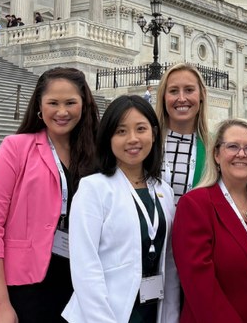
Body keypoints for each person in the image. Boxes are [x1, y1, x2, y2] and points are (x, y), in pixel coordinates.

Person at [0, 67, 100, 322]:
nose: (62, 111)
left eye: (70, 103)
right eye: (53, 103)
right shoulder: (16, 148)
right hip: (22, 290)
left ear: (84, 106)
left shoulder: (96, 155)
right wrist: (0, 304)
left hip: (77, 289)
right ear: (40, 107)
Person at [63, 95, 181, 323]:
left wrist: (171, 316)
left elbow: (170, 263)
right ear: (108, 137)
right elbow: (85, 267)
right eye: (121, 131)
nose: (133, 139)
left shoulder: (164, 191)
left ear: (154, 134)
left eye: (141, 129)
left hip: (151, 310)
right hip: (103, 314)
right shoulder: (93, 188)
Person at [172, 119, 247, 322]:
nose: (241, 154)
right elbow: (201, 291)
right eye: (232, 146)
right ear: (216, 154)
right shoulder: (195, 205)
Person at [155, 63, 210, 203]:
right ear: (163, 97)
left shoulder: (215, 146)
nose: (181, 98)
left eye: (189, 90)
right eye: (173, 91)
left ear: (202, 94)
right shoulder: (149, 143)